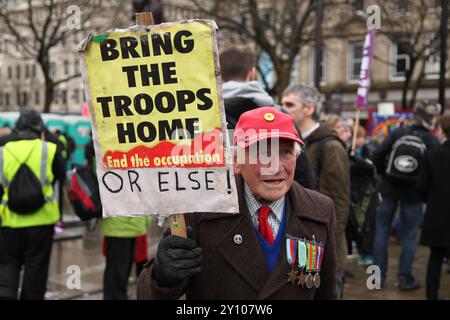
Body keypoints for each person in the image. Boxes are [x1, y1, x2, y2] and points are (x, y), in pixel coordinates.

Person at [136, 107, 338, 299]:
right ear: (236, 161)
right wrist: (162, 278)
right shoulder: (201, 209)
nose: (275, 168)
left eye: (285, 152)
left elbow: (327, 292)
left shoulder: (320, 209)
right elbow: (147, 295)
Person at [281, 84, 350, 298]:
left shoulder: (330, 147)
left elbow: (338, 201)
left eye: (289, 104)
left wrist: (329, 246)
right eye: (282, 103)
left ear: (309, 109)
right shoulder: (296, 139)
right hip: (298, 241)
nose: (283, 109)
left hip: (320, 244)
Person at [220, 45, 315, 189]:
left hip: (221, 204)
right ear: (252, 73)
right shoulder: (281, 116)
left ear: (219, 74)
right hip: (276, 203)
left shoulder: (206, 119)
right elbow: (302, 175)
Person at [371, 100, 440, 290]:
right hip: (414, 192)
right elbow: (432, 170)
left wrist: (383, 175)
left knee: (381, 231)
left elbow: (377, 154)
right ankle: (404, 278)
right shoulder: (431, 140)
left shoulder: (398, 132)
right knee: (409, 236)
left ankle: (375, 279)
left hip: (389, 188)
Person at [0, 108, 65, 300]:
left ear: (17, 126)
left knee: (7, 265)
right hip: (41, 221)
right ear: (40, 127)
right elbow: (60, 178)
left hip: (9, 221)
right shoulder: (49, 149)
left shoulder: (3, 151)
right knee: (36, 269)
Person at [418, 114, 450, 300]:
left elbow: (421, 186)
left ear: (442, 131)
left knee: (435, 258)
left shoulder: (432, 155)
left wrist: (431, 200)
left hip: (437, 212)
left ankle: (432, 295)